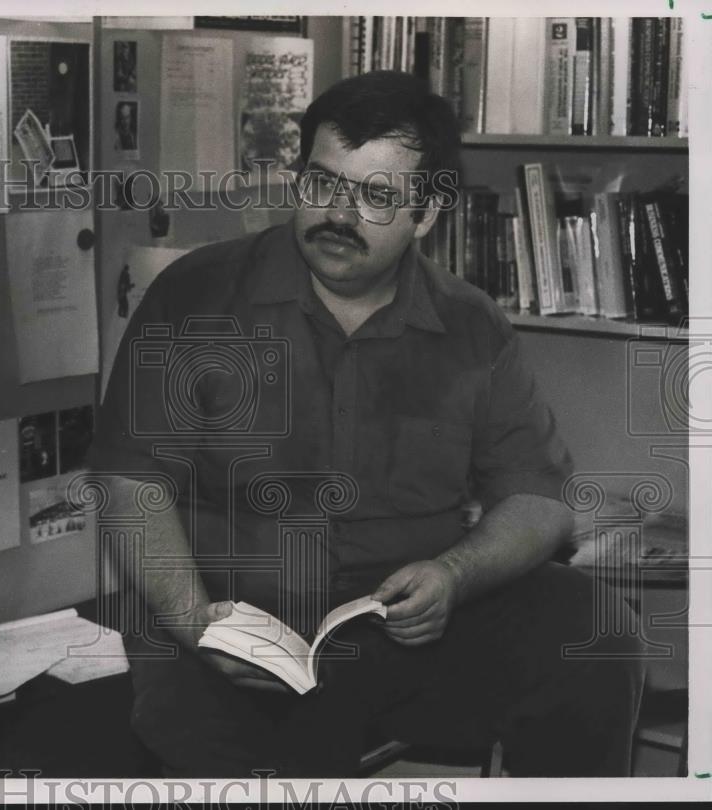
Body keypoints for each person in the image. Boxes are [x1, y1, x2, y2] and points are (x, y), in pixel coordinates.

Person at [88, 71, 644, 778]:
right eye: (322, 184)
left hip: (403, 626)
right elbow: (128, 480)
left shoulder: (471, 323)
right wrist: (197, 624)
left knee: (591, 632)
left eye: (377, 196)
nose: (339, 216)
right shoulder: (196, 295)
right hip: (229, 627)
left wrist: (455, 573)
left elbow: (539, 497)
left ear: (427, 213)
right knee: (259, 758)